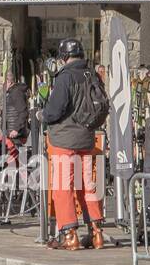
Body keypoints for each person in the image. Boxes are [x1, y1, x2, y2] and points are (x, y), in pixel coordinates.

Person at [42, 38, 109, 251]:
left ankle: (69, 235)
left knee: (63, 186)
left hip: (64, 139)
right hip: (87, 138)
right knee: (87, 186)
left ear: (64, 57)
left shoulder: (65, 77)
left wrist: (41, 114)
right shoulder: (92, 75)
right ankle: (96, 233)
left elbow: (54, 111)